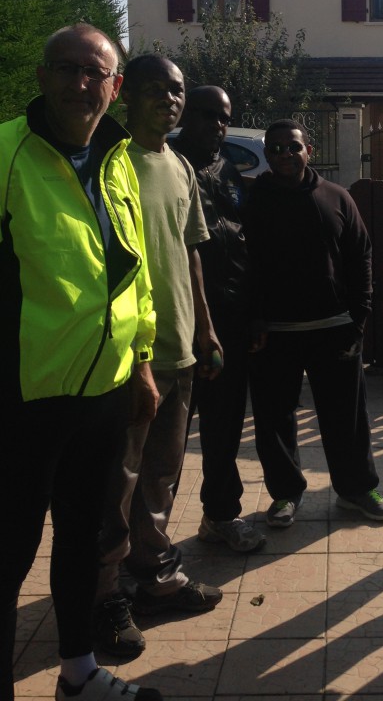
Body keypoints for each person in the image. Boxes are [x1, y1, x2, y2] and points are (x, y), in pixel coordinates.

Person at [0, 25, 161, 701]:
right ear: (42, 77)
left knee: (81, 539)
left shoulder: (117, 159)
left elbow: (135, 272)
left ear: (114, 87)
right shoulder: (7, 152)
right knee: (10, 551)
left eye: (95, 72)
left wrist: (143, 361)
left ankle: (78, 672)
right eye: (66, 69)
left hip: (103, 391)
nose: (80, 83)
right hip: (23, 397)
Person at [94, 56, 224, 658]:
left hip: (179, 349)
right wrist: (136, 358)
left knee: (161, 477)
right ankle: (103, 598)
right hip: (126, 357)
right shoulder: (108, 163)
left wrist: (206, 330)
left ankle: (154, 577)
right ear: (126, 94)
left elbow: (191, 251)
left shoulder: (180, 166)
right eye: (156, 89)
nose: (169, 100)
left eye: (177, 91)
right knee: (116, 481)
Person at [244, 119, 383, 528]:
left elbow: (361, 255)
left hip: (334, 328)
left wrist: (359, 315)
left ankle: (356, 489)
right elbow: (245, 264)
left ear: (309, 150)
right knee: (274, 419)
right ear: (267, 154)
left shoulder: (336, 197)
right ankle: (285, 494)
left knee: (346, 416)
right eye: (276, 149)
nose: (285, 155)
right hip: (275, 332)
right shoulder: (254, 201)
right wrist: (253, 318)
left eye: (293, 147)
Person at [172, 86, 266, 553]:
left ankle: (221, 514)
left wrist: (253, 314)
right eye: (208, 115)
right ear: (185, 115)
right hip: (178, 322)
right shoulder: (166, 165)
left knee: (225, 425)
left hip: (229, 320)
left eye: (224, 117)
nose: (218, 125)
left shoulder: (227, 168)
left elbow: (243, 241)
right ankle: (144, 540)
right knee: (166, 438)